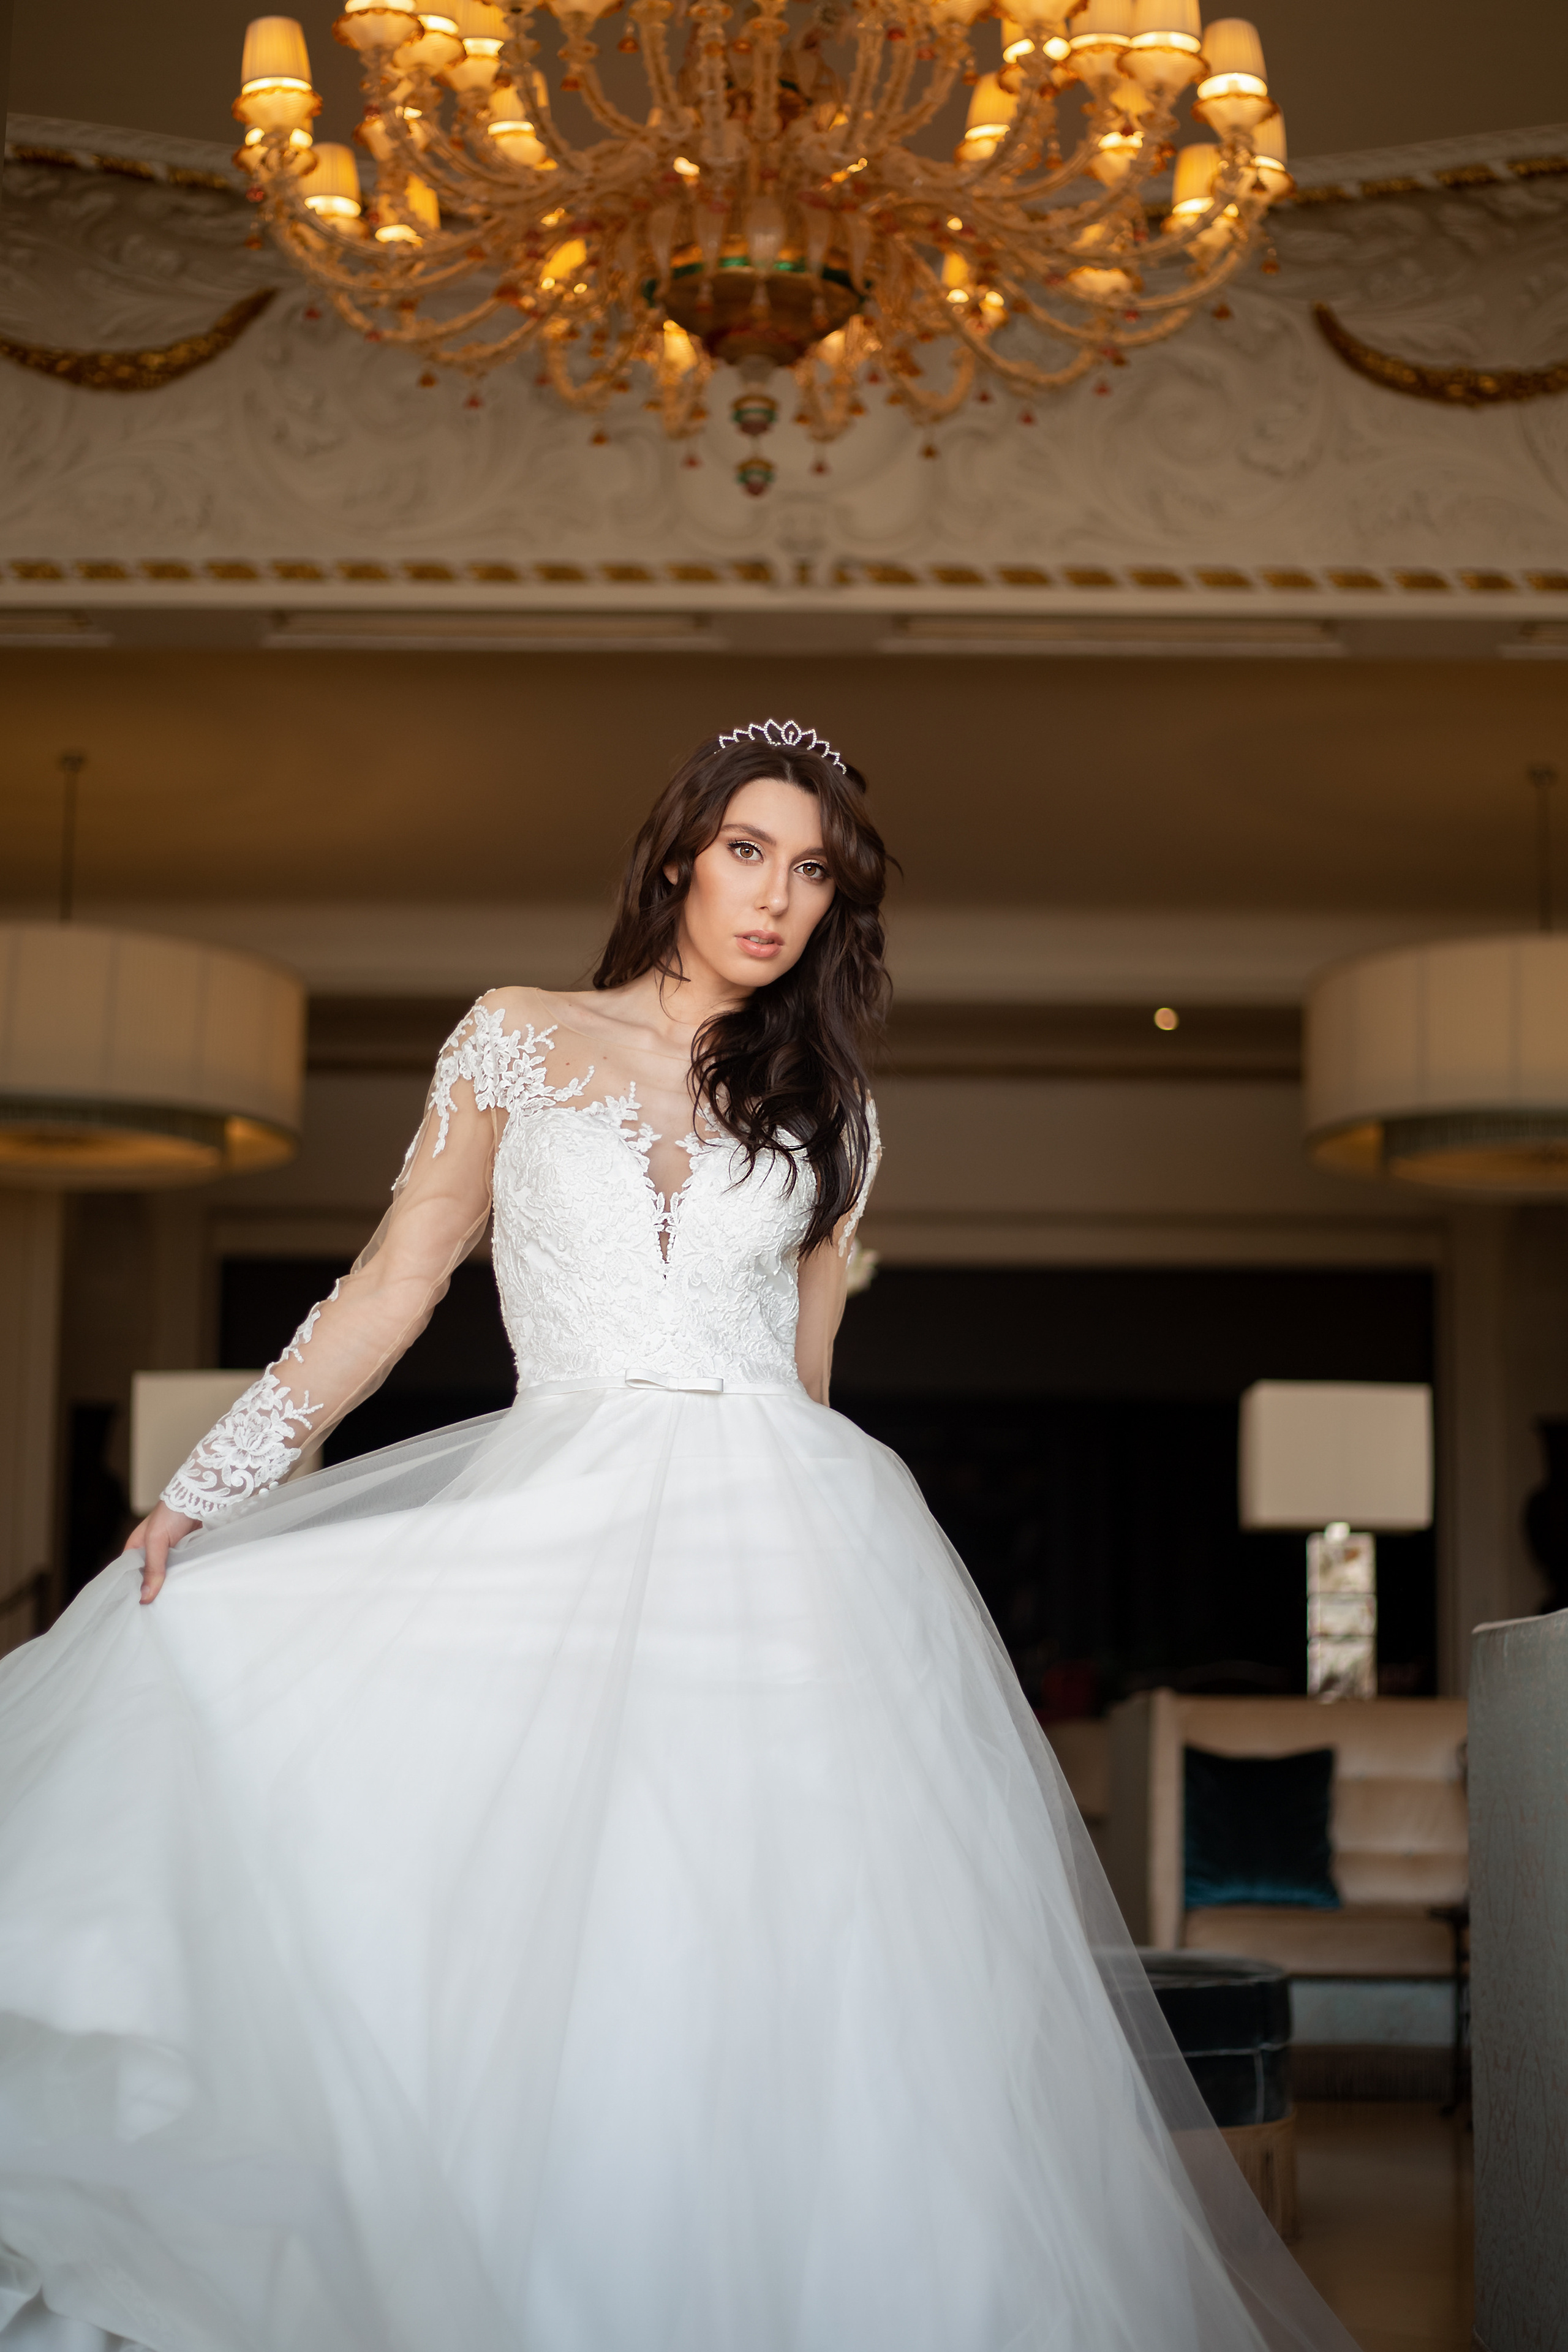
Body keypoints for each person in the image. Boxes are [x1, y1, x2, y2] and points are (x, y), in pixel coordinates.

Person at [0, 723, 1352, 2351]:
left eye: (814, 874)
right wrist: (214, 1482)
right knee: (456, 1883)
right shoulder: (514, 1036)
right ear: (675, 858)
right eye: (748, 854)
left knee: (752, 1959)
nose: (777, 898)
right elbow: (395, 1283)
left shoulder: (835, 1111)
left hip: (774, 1553)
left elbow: (806, 1382)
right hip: (551, 1517)